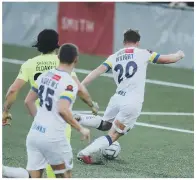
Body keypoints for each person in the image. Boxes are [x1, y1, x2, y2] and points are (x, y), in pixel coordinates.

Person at [76, 28, 185, 164]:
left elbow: (97, 71)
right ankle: (85, 153)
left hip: (117, 98)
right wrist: (179, 55)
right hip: (132, 102)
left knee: (105, 124)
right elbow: (166, 60)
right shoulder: (144, 53)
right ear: (137, 42)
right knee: (114, 134)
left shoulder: (114, 56)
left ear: (124, 41)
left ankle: (79, 118)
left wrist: (81, 85)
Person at [2, 29, 98, 178]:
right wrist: (91, 106)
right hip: (56, 129)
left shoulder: (31, 65)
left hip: (37, 128)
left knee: (35, 175)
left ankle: (5, 171)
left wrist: (6, 110)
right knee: (61, 174)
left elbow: (17, 92)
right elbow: (78, 92)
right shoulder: (62, 69)